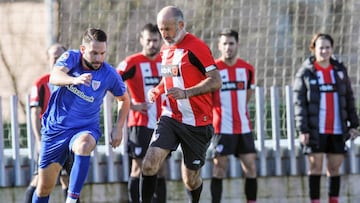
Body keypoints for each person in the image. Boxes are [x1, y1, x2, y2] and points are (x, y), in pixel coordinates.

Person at [32, 28, 130, 203]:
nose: (99, 58)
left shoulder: (109, 74)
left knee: (84, 145)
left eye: (102, 53)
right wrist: (73, 80)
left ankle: (71, 199)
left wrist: (118, 127)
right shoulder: (71, 58)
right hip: (56, 130)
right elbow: (54, 76)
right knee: (44, 187)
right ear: (83, 49)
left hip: (85, 128)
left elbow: (124, 99)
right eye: (94, 53)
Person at [140, 6, 222, 203]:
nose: (164, 34)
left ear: (181, 25)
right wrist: (157, 90)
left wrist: (186, 93)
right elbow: (168, 78)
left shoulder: (197, 47)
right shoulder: (166, 49)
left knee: (191, 180)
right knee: (149, 164)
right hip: (171, 117)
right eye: (161, 29)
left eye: (168, 29)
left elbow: (216, 80)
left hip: (197, 123)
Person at [293, 33, 359, 203]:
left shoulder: (339, 71)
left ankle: (333, 200)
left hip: (337, 128)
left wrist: (354, 124)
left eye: (327, 47)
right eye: (321, 47)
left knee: (334, 168)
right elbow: (299, 104)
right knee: (315, 168)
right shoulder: (306, 72)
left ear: (332, 49)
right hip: (316, 129)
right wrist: (303, 129)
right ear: (313, 49)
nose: (324, 51)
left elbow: (349, 98)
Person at [116, 23, 167, 203]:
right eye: (148, 40)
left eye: (155, 40)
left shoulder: (166, 60)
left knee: (160, 168)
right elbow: (112, 82)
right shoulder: (132, 62)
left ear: (160, 40)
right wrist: (128, 102)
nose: (152, 44)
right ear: (141, 41)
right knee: (138, 167)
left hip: (164, 124)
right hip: (140, 124)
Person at [26, 44, 81, 203]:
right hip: (50, 139)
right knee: (40, 180)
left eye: (61, 57)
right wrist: (38, 140)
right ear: (48, 59)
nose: (58, 60)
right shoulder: (41, 84)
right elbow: (35, 113)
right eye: (54, 57)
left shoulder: (75, 82)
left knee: (69, 180)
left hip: (70, 139)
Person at [210, 28, 257, 203]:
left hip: (244, 127)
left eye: (231, 43)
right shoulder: (213, 69)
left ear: (237, 45)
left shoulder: (248, 69)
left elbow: (247, 95)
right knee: (219, 168)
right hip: (222, 127)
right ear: (219, 46)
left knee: (251, 167)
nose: (228, 47)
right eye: (224, 44)